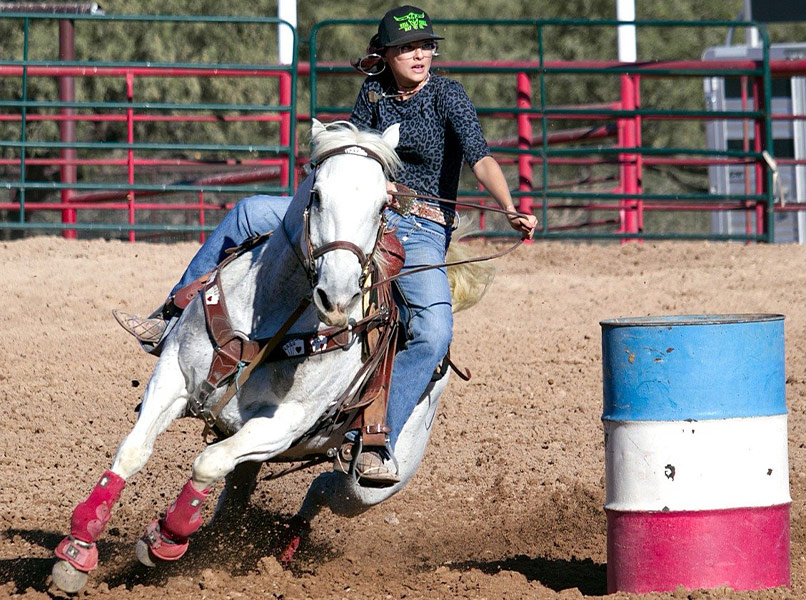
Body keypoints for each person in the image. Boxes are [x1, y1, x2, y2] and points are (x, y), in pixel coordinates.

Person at [114, 5, 537, 485]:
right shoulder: (373, 92)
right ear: (385, 55)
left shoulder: (448, 97)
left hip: (419, 227)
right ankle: (172, 316)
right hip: (354, 212)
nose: (418, 55)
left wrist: (509, 206)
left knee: (435, 332)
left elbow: (480, 158)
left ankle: (377, 434)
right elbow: (352, 147)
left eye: (424, 46)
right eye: (406, 48)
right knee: (250, 210)